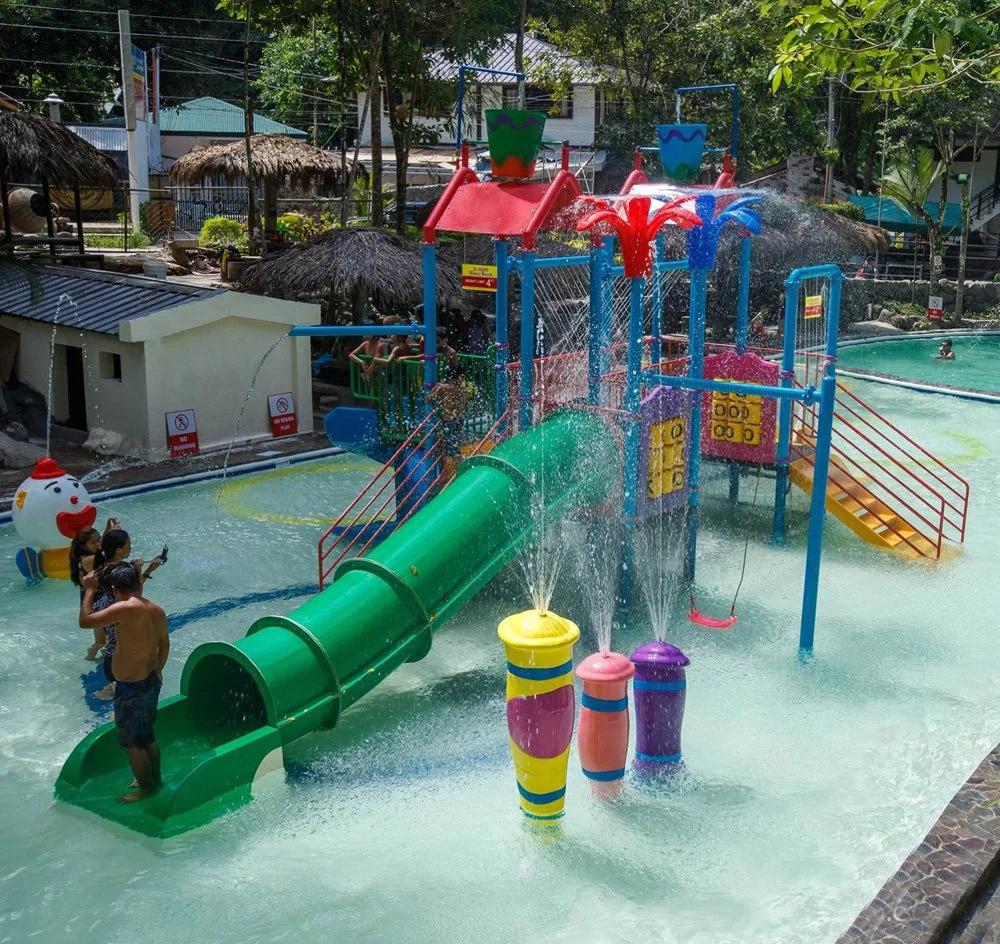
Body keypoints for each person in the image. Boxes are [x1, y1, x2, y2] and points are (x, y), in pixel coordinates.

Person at [79, 562, 169, 804]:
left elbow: (85, 621)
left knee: (131, 743)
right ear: (139, 584)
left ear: (115, 590)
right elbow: (164, 645)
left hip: (130, 686)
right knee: (147, 736)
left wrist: (89, 590)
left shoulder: (124, 609)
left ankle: (146, 790)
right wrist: (158, 671)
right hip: (150, 680)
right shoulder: (156, 609)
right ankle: (154, 780)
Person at [86, 529, 163, 700]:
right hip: (121, 659)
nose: (131, 549)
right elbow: (132, 595)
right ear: (119, 550)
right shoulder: (117, 577)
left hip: (113, 651)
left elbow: (129, 594)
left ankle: (108, 684)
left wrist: (144, 571)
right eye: (128, 546)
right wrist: (142, 572)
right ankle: (111, 690)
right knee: (126, 700)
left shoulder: (103, 571)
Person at [70, 517, 119, 660]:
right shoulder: (88, 560)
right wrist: (114, 537)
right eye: (93, 542)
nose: (99, 544)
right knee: (110, 638)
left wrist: (107, 530)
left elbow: (101, 548)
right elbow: (111, 557)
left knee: (100, 641)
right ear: (83, 546)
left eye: (99, 539)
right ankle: (99, 659)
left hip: (89, 602)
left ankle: (89, 658)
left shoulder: (82, 557)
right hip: (97, 604)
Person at [426, 371, 475, 482]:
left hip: (449, 422)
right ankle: (455, 470)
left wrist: (435, 389)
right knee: (450, 445)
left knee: (452, 448)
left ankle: (458, 471)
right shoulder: (463, 390)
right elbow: (461, 404)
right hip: (459, 420)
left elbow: (428, 399)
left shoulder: (444, 388)